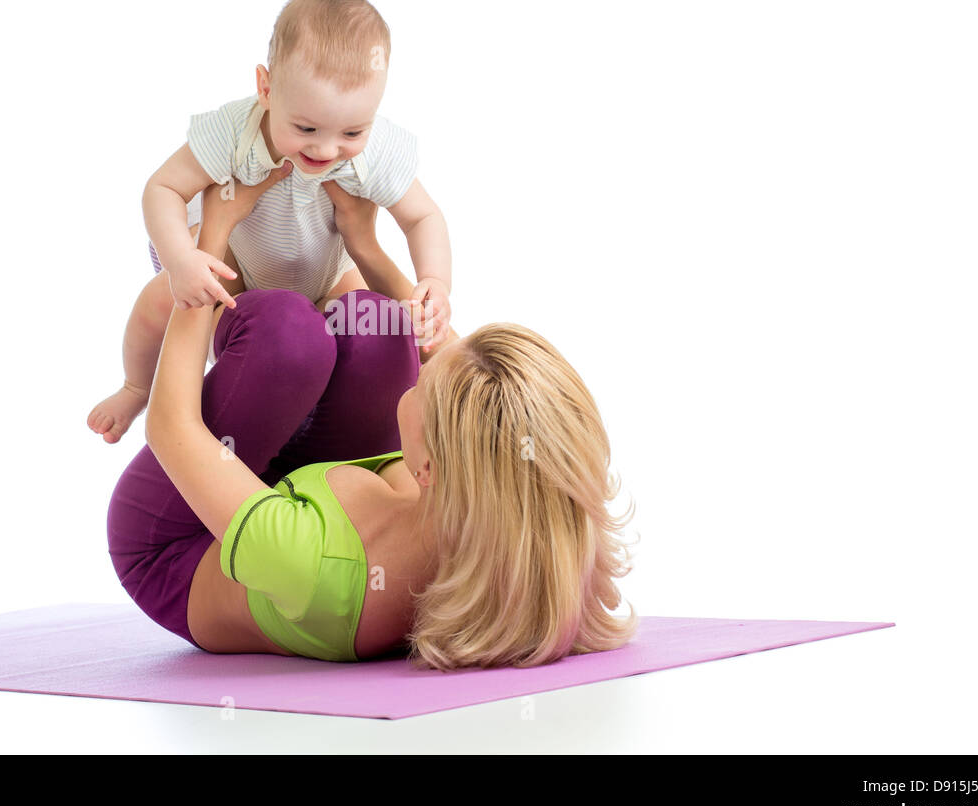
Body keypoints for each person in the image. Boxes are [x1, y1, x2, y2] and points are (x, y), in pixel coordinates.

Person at [106, 175, 639, 671]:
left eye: (422, 386)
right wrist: (364, 243)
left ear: (427, 466)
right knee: (380, 328)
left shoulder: (315, 562)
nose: (424, 364)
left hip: (174, 546)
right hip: (314, 505)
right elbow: (453, 359)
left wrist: (209, 244)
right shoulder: (526, 516)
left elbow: (172, 428)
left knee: (283, 334)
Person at [89, 0, 454, 444]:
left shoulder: (375, 151)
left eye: (352, 131)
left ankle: (352, 421)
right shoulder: (234, 133)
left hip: (327, 272)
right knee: (155, 304)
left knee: (377, 325)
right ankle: (136, 387)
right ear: (266, 88)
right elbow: (162, 188)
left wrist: (435, 282)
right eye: (305, 128)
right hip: (235, 263)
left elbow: (422, 217)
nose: (326, 149)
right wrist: (182, 260)